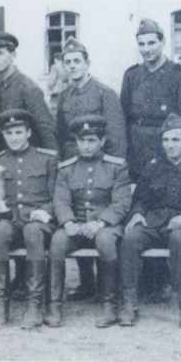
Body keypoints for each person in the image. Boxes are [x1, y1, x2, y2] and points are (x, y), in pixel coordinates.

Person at [119, 113, 181, 329]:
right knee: (130, 238)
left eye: (175, 140)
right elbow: (140, 199)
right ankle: (129, 303)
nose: (170, 145)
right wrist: (137, 213)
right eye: (165, 140)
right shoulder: (153, 167)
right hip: (155, 225)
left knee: (180, 239)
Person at [54, 37, 128, 301]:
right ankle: (86, 283)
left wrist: (112, 168)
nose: (72, 66)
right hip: (74, 168)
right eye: (68, 62)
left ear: (87, 63)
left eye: (77, 61)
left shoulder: (104, 93)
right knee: (77, 217)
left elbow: (116, 136)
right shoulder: (64, 96)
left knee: (101, 224)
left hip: (102, 168)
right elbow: (62, 135)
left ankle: (107, 288)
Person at [47, 115, 132, 328]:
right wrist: (68, 223)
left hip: (105, 227)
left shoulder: (116, 167)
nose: (86, 146)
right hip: (76, 225)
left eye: (92, 140)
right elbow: (61, 200)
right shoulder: (67, 168)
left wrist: (100, 223)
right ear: (76, 142)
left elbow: (121, 203)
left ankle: (109, 304)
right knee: (57, 242)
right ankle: (54, 305)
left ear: (102, 141)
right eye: (81, 140)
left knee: (105, 241)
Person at [0, 109, 57, 330]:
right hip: (10, 221)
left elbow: (59, 197)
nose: (14, 137)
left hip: (38, 222)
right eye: (9, 133)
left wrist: (47, 210)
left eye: (18, 132)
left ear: (28, 132)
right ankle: (0, 303)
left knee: (33, 232)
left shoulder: (47, 159)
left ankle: (34, 304)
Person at [120, 19, 181, 180]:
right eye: (141, 44)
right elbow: (124, 118)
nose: (146, 49)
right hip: (137, 152)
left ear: (162, 42)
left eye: (151, 43)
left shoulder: (180, 76)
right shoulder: (132, 76)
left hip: (168, 151)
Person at [0, 31, 58, 151]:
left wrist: (52, 159)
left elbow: (46, 128)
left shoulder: (28, 87)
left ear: (13, 55)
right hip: (4, 155)